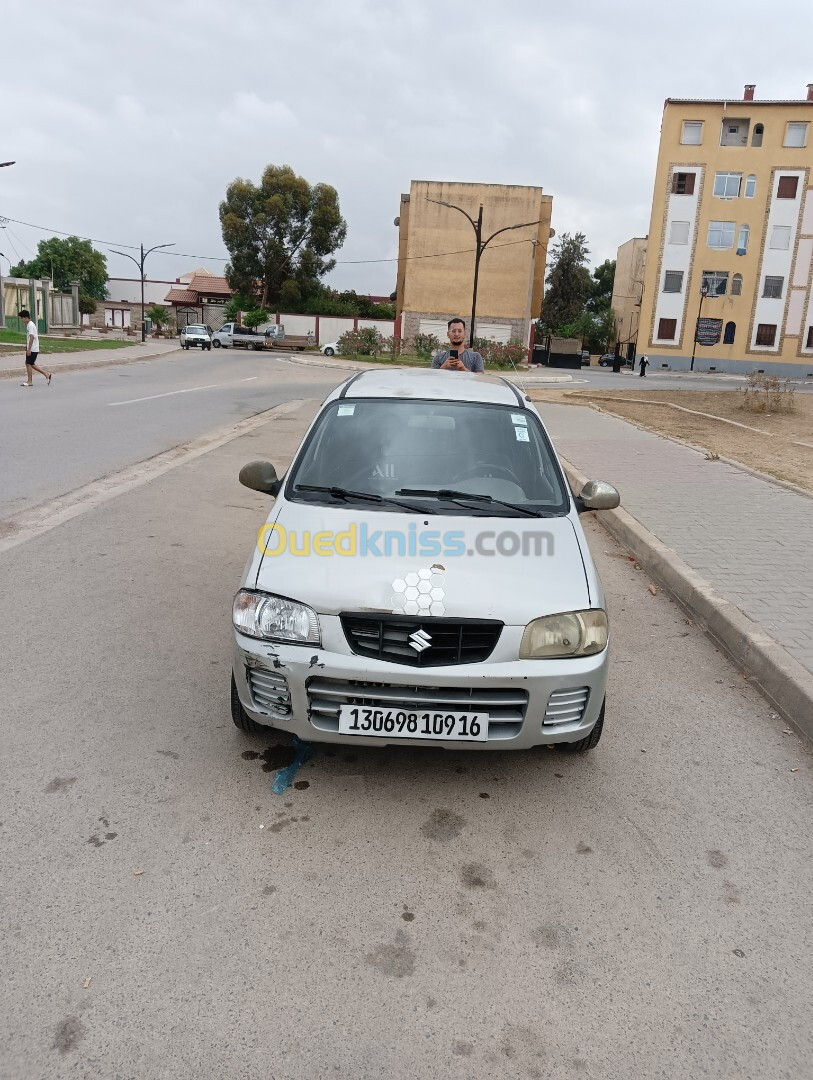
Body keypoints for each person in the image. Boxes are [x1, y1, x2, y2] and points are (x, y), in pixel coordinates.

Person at [19, 309, 52, 387]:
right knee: (29, 363)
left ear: (26, 317)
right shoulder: (30, 324)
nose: (21, 320)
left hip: (33, 349)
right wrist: (26, 346)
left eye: (21, 318)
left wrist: (29, 349)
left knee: (29, 363)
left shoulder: (30, 325)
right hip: (33, 348)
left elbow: (32, 337)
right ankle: (46, 374)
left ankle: (30, 381)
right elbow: (29, 337)